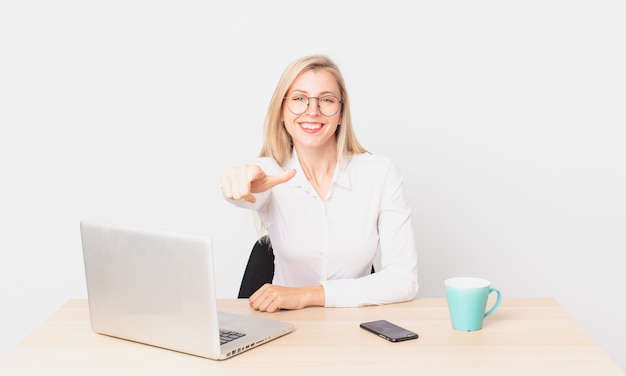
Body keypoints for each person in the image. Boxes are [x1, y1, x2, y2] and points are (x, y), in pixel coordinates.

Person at [219, 54, 418, 312]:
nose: (312, 110)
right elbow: (249, 189)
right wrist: (236, 187)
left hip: (353, 330)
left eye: (326, 100)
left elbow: (404, 280)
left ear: (340, 114)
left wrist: (308, 295)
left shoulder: (380, 173)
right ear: (281, 111)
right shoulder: (271, 173)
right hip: (283, 328)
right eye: (299, 99)